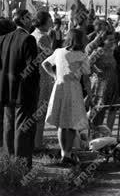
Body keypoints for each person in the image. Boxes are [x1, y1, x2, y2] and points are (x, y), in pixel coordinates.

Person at [41, 29, 90, 166]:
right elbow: (86, 75)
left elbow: (45, 63)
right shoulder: (82, 55)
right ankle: (67, 154)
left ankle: (64, 153)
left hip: (60, 87)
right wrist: (90, 94)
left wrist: (55, 76)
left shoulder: (58, 51)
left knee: (62, 123)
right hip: (74, 88)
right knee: (73, 121)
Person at [0, 10, 39, 169]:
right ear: (22, 19)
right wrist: (34, 87)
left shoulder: (3, 38)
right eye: (29, 17)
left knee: (8, 126)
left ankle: (9, 163)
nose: (32, 20)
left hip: (6, 89)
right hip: (23, 90)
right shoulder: (28, 39)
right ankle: (22, 166)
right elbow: (32, 67)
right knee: (23, 128)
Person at [88, 32, 120, 130]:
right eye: (109, 40)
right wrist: (97, 71)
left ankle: (108, 133)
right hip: (100, 84)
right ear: (103, 40)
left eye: (113, 39)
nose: (112, 42)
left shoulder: (112, 51)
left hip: (112, 82)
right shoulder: (99, 51)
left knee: (113, 107)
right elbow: (88, 63)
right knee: (99, 109)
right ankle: (95, 132)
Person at [31, 10, 54, 150]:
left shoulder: (33, 34)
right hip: (44, 76)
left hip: (36, 75)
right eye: (49, 18)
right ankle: (37, 145)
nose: (52, 21)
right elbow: (50, 57)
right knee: (41, 111)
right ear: (44, 21)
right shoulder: (43, 37)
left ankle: (34, 142)